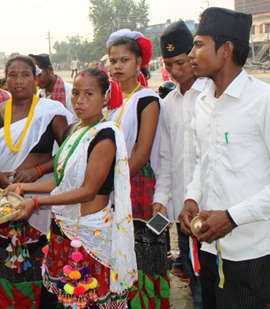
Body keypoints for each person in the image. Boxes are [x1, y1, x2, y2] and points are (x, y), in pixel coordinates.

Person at [6, 68, 137, 308]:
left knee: (85, 298)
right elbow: (62, 180)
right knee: (57, 298)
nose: (79, 100)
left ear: (106, 97)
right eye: (76, 93)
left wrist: (36, 202)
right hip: (63, 229)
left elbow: (88, 190)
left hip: (89, 235)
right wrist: (23, 187)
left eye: (89, 94)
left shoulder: (105, 136)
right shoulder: (73, 130)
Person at [179, 7, 270, 309]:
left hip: (251, 251)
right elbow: (201, 162)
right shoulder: (203, 102)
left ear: (227, 50)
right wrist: (192, 198)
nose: (191, 53)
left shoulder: (262, 101)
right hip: (210, 248)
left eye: (199, 44)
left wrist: (232, 217)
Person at [0, 55, 69, 308]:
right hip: (5, 200)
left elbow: (68, 153)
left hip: (40, 201)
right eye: (13, 75)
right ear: (5, 79)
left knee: (40, 262)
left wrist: (37, 170)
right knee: (6, 261)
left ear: (36, 79)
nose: (19, 80)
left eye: (25, 75)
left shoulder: (51, 111)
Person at [105, 29, 168, 309]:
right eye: (113, 60)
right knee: (118, 251)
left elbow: (142, 153)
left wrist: (110, 183)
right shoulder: (110, 103)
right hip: (114, 184)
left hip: (138, 186)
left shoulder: (147, 100)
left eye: (124, 60)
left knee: (146, 252)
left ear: (139, 62)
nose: (117, 66)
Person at [154, 21, 211, 309]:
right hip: (181, 211)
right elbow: (166, 158)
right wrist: (161, 200)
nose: (175, 71)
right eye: (168, 64)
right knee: (191, 271)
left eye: (181, 62)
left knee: (210, 280)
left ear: (193, 57)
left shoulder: (212, 95)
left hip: (212, 207)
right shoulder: (168, 104)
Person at [29, 53, 77, 122]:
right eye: (34, 77)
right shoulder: (40, 94)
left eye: (39, 75)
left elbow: (77, 120)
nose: (36, 81)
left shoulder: (70, 92)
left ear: (49, 70)